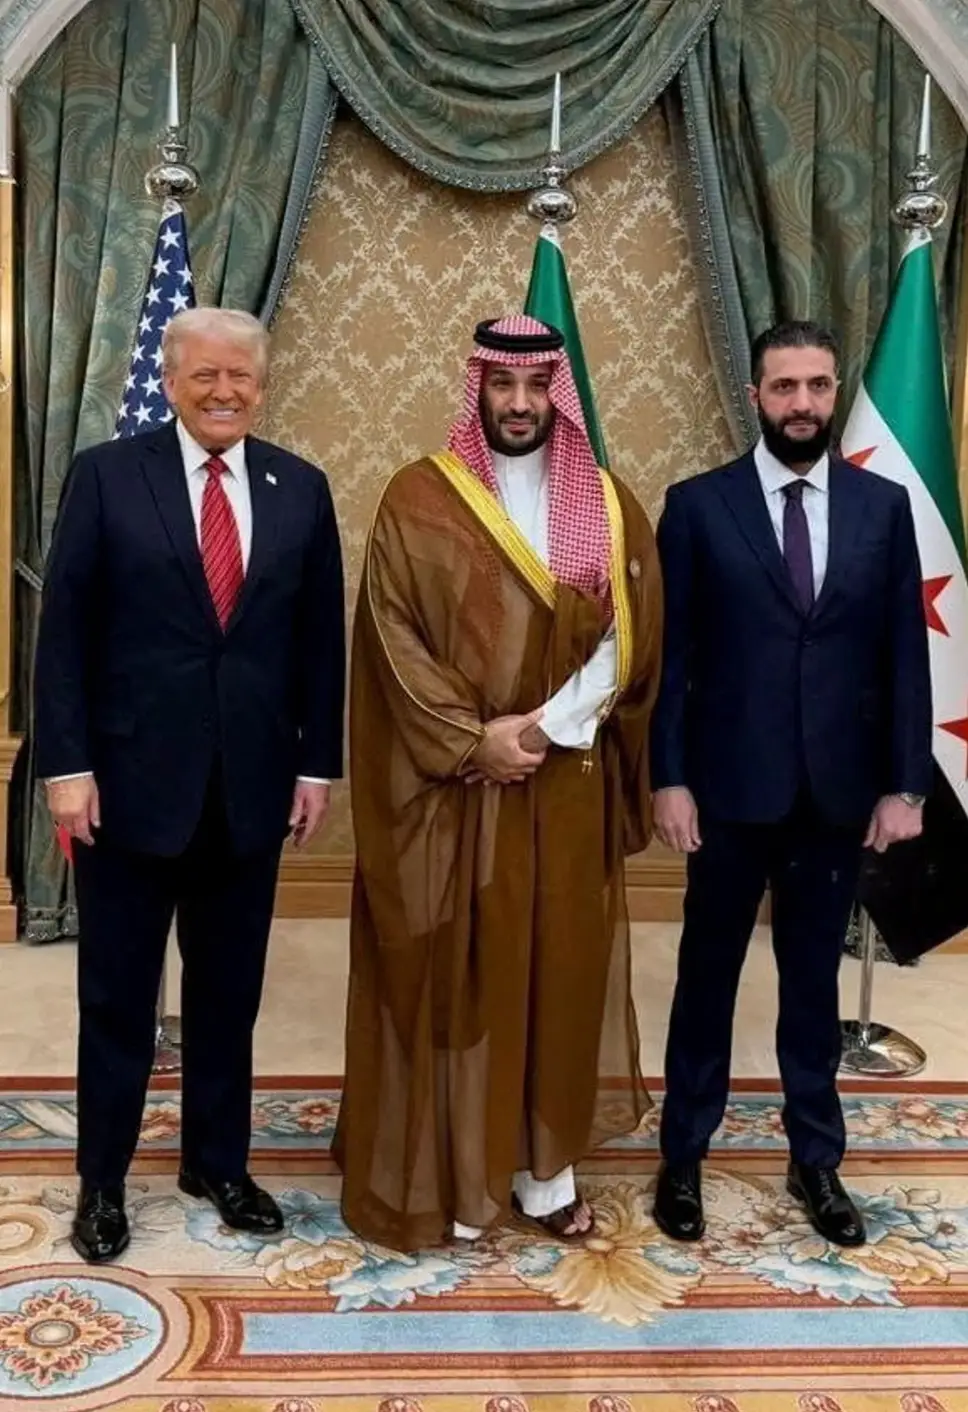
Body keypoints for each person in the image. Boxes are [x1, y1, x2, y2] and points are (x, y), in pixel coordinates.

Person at [333, 314, 662, 1251]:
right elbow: (391, 637)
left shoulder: (605, 502)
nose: (519, 404)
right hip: (453, 789)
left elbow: (630, 636)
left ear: (555, 392)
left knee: (557, 969)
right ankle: (457, 1170)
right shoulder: (418, 498)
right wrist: (476, 739)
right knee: (459, 974)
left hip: (560, 787)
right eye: (502, 387)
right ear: (478, 390)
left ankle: (543, 1176)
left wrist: (544, 731)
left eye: (535, 387)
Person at [34, 307, 345, 1263]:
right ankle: (103, 1180)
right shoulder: (106, 475)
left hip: (249, 791)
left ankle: (218, 1161)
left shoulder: (300, 488)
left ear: (261, 383)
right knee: (118, 1000)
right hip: (126, 789)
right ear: (169, 382)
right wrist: (66, 768)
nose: (223, 393)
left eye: (240, 378)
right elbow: (67, 635)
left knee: (229, 996)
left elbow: (317, 640)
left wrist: (314, 764)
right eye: (204, 376)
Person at [650, 320, 932, 1249]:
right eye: (785, 388)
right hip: (728, 792)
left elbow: (903, 656)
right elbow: (672, 659)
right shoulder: (696, 506)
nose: (802, 404)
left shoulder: (882, 507)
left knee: (813, 985)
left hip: (837, 797)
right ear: (756, 396)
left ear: (834, 390)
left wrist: (904, 785)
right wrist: (670, 779)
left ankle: (816, 1158)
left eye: (817, 387)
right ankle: (682, 1154)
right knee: (707, 979)